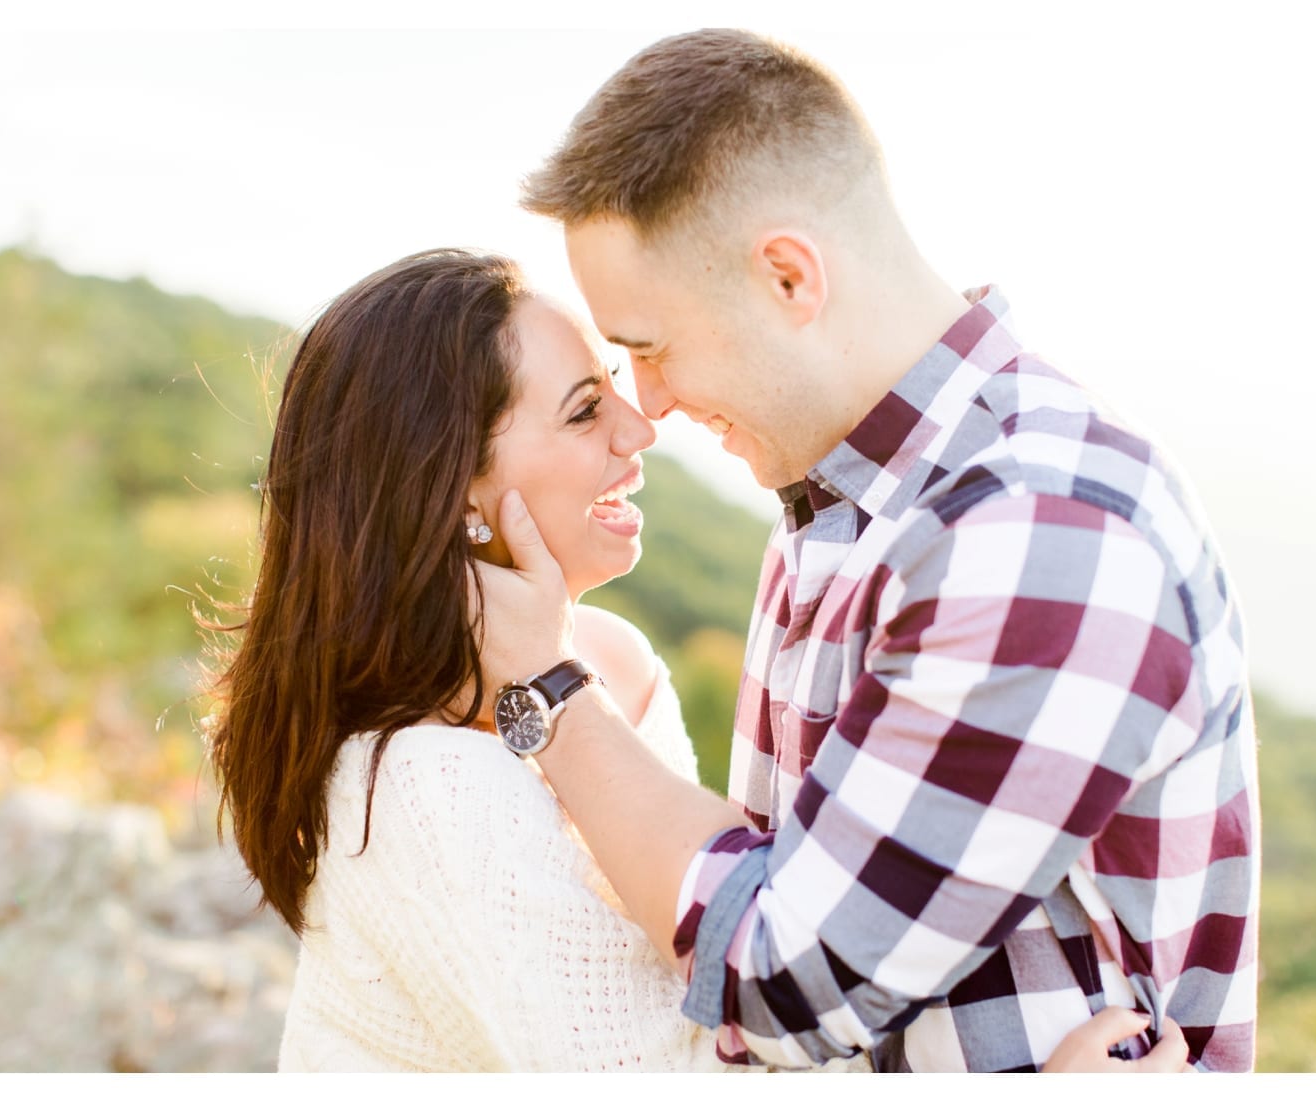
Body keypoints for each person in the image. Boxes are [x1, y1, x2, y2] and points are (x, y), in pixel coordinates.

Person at [472, 29, 1259, 1072]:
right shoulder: (848, 495)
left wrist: (548, 687)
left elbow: (781, 982)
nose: (646, 405)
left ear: (789, 280)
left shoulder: (1035, 532)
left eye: (651, 349)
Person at [204, 247, 1182, 1072]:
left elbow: (724, 1006)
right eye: (586, 410)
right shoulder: (425, 784)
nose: (640, 431)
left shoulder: (608, 660)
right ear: (454, 493)